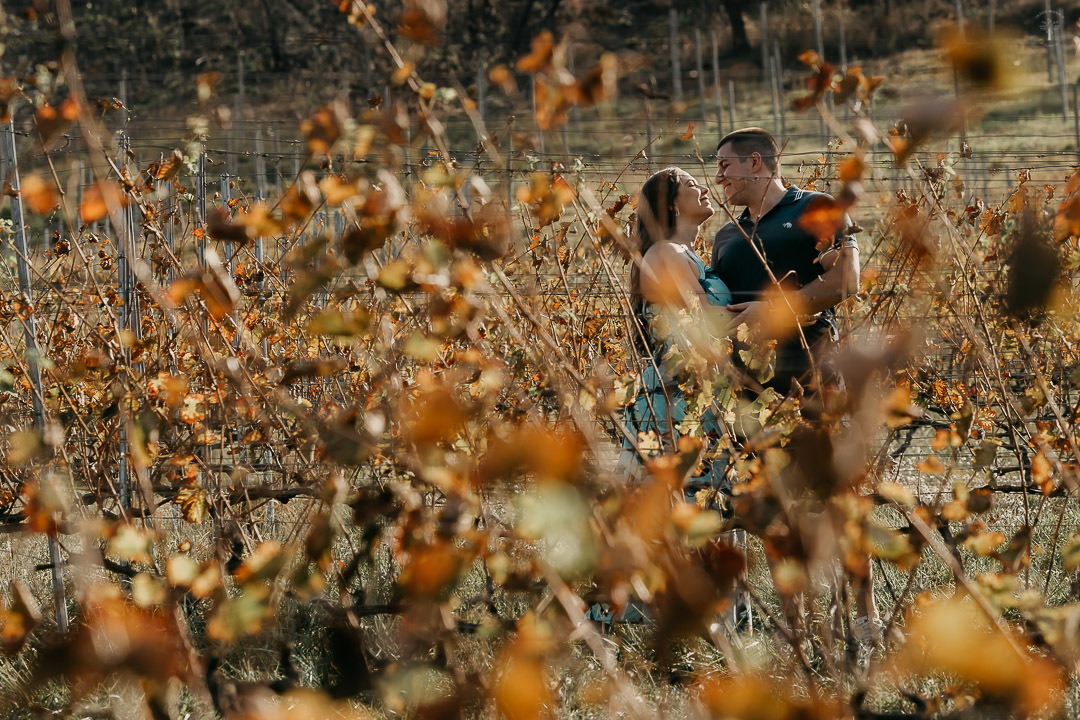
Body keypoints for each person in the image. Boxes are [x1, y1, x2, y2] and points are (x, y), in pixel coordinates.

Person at [710, 127, 879, 647]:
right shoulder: (726, 236)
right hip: (750, 390)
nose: (719, 178)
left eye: (725, 166)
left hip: (813, 375)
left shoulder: (817, 208)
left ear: (756, 163)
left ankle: (865, 620)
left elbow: (846, 281)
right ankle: (797, 629)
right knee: (774, 508)